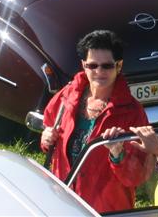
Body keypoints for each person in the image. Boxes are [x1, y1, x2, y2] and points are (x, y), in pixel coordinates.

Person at [39, 30, 151, 214]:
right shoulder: (66, 97)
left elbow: (138, 175)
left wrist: (118, 154)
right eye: (92, 65)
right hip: (64, 202)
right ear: (84, 65)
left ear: (119, 65)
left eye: (107, 66)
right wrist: (46, 139)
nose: (99, 72)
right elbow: (49, 130)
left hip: (106, 210)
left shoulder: (132, 112)